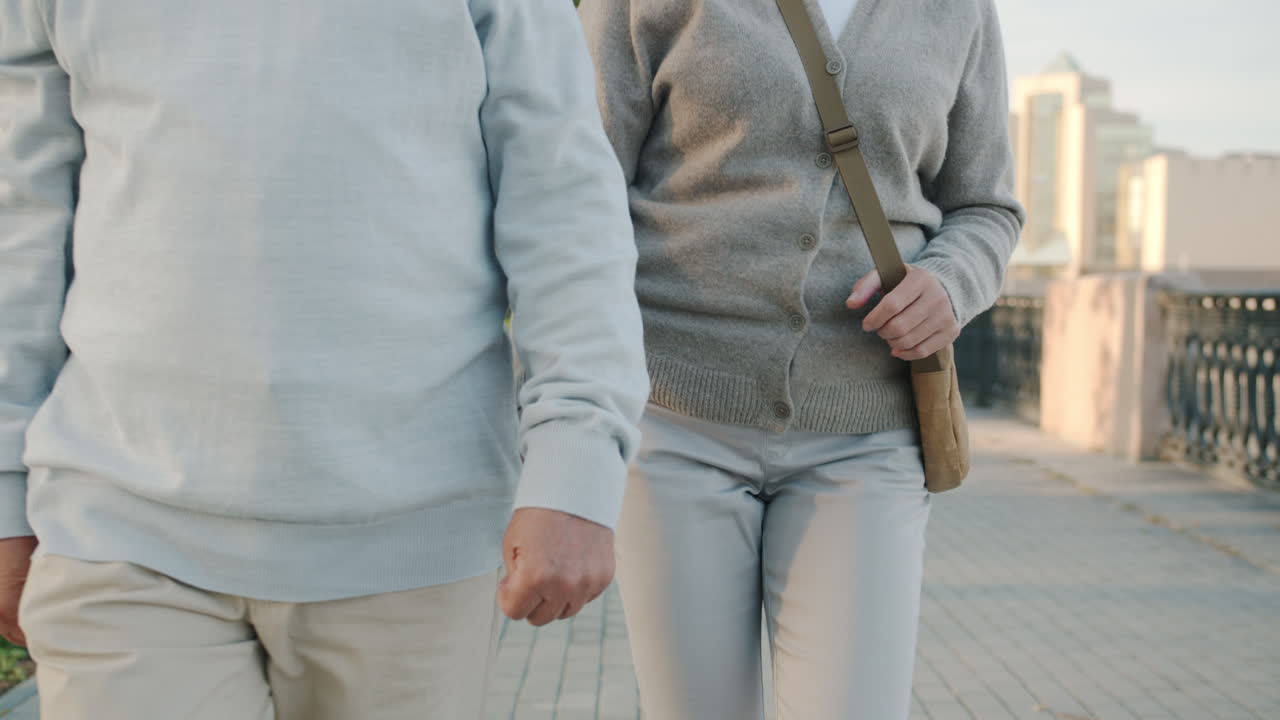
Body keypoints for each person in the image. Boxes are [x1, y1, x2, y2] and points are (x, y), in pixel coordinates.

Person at [0, 1, 648, 717]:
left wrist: (575, 468)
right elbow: (19, 212)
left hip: (410, 541)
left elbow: (563, 199)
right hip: (119, 524)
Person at [579, 0, 1025, 717]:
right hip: (674, 421)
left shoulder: (957, 9)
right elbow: (579, 186)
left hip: (866, 434)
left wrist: (950, 282)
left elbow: (987, 206)